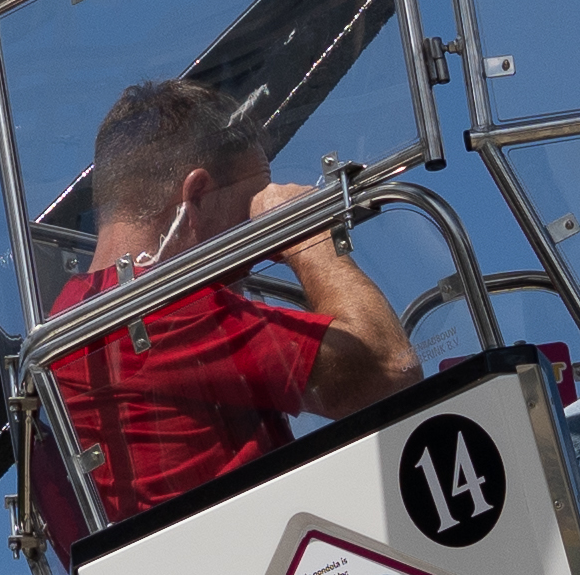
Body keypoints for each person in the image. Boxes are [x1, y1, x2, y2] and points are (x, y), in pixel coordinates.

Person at [36, 77, 420, 534]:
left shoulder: (78, 310)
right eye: (252, 209)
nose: (258, 247)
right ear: (195, 198)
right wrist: (307, 234)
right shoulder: (154, 310)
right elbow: (388, 371)